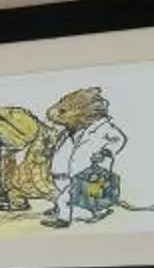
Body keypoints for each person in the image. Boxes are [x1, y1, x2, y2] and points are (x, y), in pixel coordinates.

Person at [44, 86, 129, 228]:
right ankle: (64, 209)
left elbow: (119, 139)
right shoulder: (71, 130)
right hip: (65, 174)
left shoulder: (104, 128)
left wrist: (107, 151)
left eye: (63, 111)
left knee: (69, 197)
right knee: (66, 193)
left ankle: (64, 219)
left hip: (88, 172)